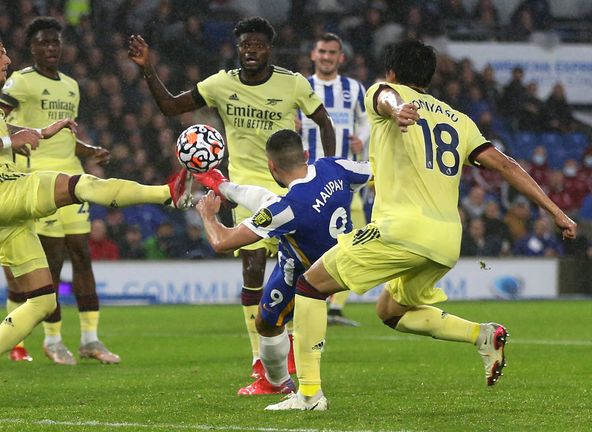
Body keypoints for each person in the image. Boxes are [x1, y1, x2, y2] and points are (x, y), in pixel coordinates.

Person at [266, 39, 577, 411]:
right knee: (389, 311)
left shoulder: (385, 93)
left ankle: (310, 394)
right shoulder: (459, 119)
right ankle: (482, 335)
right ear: (429, 77)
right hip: (446, 242)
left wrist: (397, 109)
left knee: (310, 285)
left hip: (400, 230)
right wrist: (555, 211)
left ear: (393, 71)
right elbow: (507, 165)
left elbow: (385, 97)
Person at [0, 30, 190, 389]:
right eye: (1, 52)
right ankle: (166, 193)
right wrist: (9, 141)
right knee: (81, 184)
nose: (8, 59)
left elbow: (2, 127)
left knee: (43, 301)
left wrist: (41, 132)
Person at [129, 16, 336, 379]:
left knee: (299, 272)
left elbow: (325, 122)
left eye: (258, 44)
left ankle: (289, 345)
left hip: (289, 185)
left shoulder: (293, 84)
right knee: (253, 267)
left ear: (269, 49)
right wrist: (148, 69)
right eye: (245, 44)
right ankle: (260, 356)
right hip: (243, 187)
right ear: (237, 49)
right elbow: (171, 106)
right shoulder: (220, 84)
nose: (250, 50)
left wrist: (325, 168)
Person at [195, 129, 371, 396]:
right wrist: (221, 186)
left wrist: (208, 216)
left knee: (266, 323)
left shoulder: (287, 209)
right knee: (267, 202)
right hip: (342, 258)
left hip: (304, 273)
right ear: (307, 155)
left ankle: (277, 383)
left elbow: (221, 241)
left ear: (271, 166)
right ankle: (221, 183)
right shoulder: (334, 166)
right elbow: (374, 171)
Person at [0, 17, 119, 366]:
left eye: (56, 42)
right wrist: (21, 136)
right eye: (44, 42)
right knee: (52, 262)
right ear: (32, 46)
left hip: (74, 180)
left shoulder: (71, 85)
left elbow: (64, 136)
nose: (51, 48)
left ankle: (90, 339)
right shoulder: (21, 81)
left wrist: (89, 150)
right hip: (40, 183)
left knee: (82, 255)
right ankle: (52, 340)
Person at [301, 32, 369, 327]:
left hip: (346, 176)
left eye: (332, 52)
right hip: (310, 175)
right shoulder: (302, 86)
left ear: (341, 58)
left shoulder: (353, 89)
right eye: (322, 52)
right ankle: (302, 298)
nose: (327, 57)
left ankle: (336, 307)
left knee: (355, 240)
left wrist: (361, 139)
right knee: (309, 239)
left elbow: (367, 120)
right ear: (313, 55)